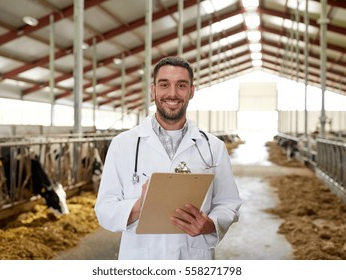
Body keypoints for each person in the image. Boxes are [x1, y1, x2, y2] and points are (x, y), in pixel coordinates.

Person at [94, 56, 242, 260]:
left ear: (191, 91)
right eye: (165, 85)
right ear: (153, 90)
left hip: (194, 257)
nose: (172, 93)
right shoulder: (123, 144)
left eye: (181, 85)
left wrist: (211, 224)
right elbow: (104, 209)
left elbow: (229, 202)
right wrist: (139, 206)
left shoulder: (213, 146)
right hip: (141, 259)